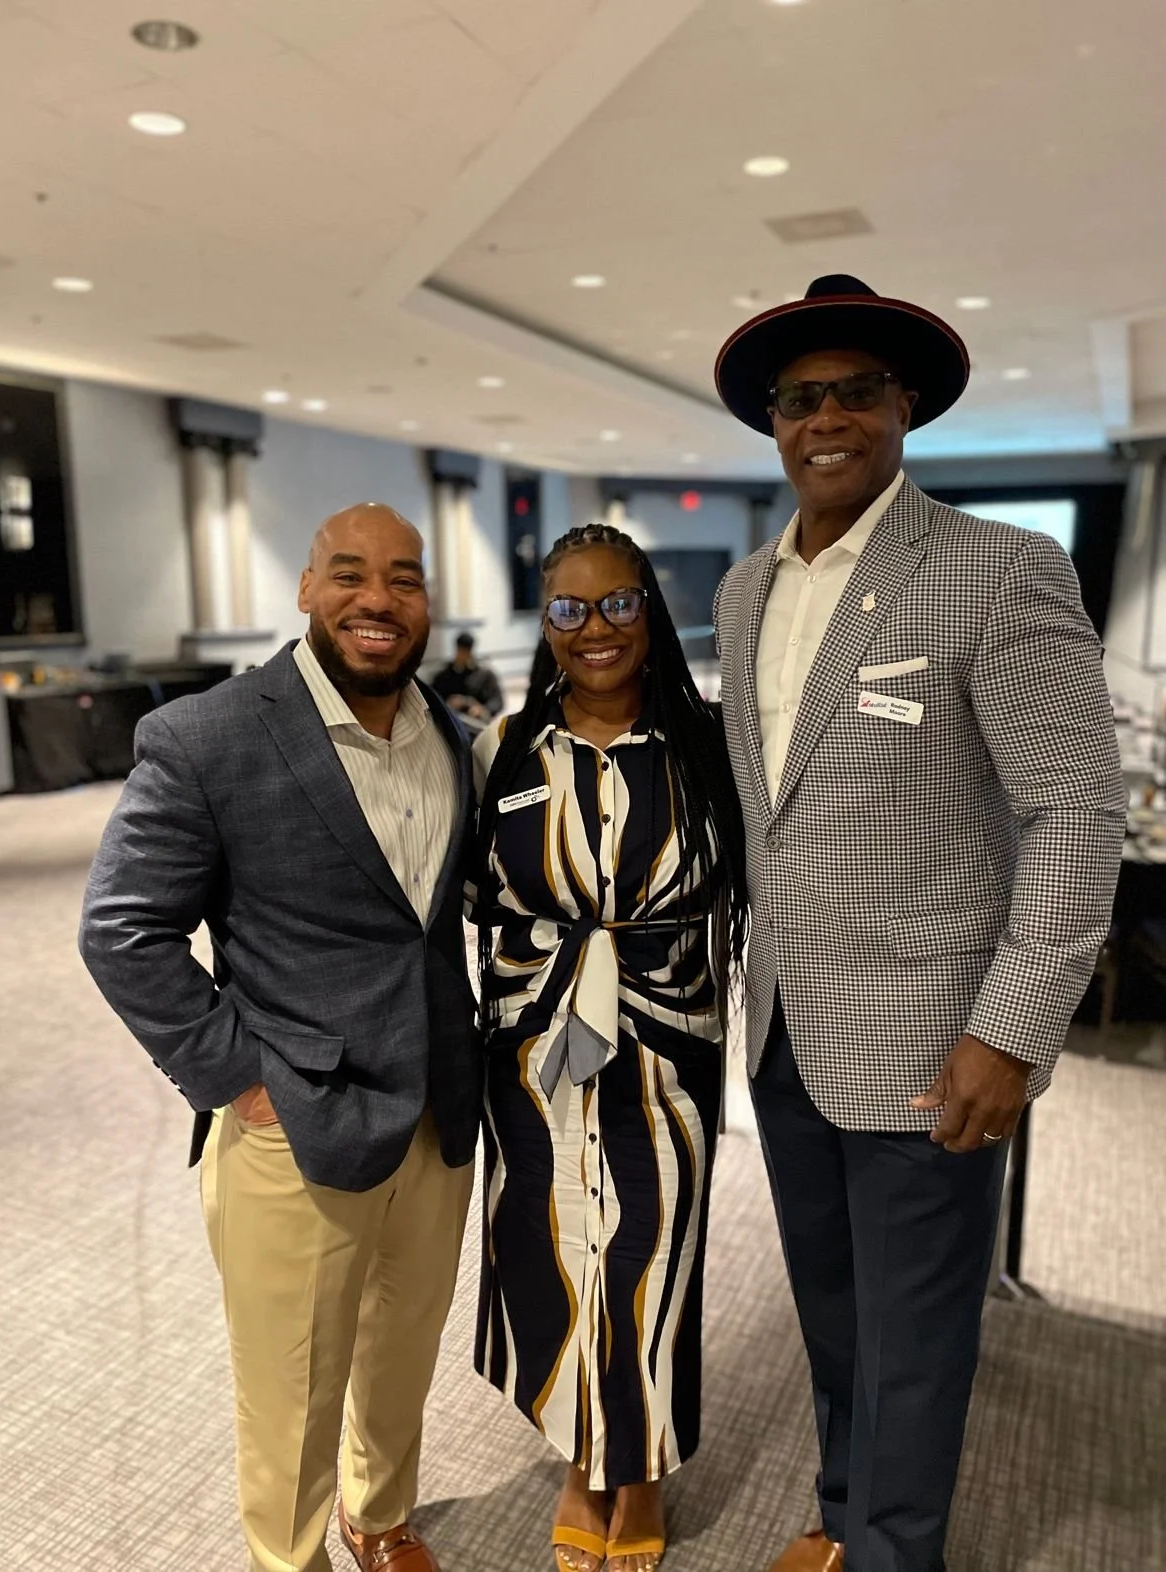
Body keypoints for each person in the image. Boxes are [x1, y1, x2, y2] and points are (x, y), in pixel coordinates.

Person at [711, 276, 1125, 1572]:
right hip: (781, 1026)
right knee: (829, 1320)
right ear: (771, 422)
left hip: (928, 1041)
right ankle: (842, 1521)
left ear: (902, 407)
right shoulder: (740, 591)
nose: (823, 417)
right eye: (798, 397)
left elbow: (1072, 814)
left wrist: (1006, 1034)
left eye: (851, 392)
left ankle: (894, 1553)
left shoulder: (995, 570)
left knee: (916, 1333)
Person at [79, 504, 480, 1572]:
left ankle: (379, 1518)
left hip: (435, 1118)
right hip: (293, 1128)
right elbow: (122, 930)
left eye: (404, 577)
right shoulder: (208, 735)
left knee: (401, 1355)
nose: (378, 600)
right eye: (350, 574)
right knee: (292, 1387)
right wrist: (242, 1082)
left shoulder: (454, 736)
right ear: (306, 590)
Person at [470, 523, 749, 1572]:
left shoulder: (711, 749)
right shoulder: (501, 751)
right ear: (544, 625)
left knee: (648, 1257)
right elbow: (462, 899)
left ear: (651, 611)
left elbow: (762, 890)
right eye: (569, 609)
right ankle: (574, 1457)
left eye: (619, 604)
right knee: (552, 1250)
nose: (596, 630)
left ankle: (635, 1473)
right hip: (531, 1053)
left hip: (667, 1049)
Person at [431, 630, 504, 726]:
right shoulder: (444, 676)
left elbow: (497, 701)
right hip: (452, 724)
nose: (463, 655)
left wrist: (482, 709)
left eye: (466, 651)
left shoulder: (485, 676)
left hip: (477, 724)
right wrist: (447, 705)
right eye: (461, 651)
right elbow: (433, 698)